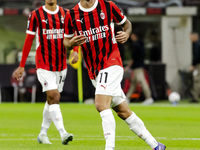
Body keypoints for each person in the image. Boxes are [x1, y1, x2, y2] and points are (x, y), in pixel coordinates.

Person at [63, 0, 166, 150]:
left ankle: (109, 148)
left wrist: (126, 33)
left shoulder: (107, 6)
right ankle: (156, 145)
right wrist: (71, 44)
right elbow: (66, 41)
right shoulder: (71, 15)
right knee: (123, 112)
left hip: (112, 62)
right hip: (94, 70)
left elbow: (127, 24)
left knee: (100, 104)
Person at [13, 0, 78, 145]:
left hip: (61, 65)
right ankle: (63, 133)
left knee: (52, 100)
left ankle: (43, 133)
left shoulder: (66, 14)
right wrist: (22, 65)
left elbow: (74, 34)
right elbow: (29, 40)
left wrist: (75, 51)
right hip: (43, 64)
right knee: (54, 96)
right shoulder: (35, 15)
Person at [125, 32, 154, 105]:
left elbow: (133, 58)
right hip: (137, 67)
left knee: (142, 82)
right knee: (133, 83)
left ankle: (149, 98)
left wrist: (128, 67)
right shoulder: (141, 44)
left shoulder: (136, 45)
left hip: (138, 68)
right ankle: (127, 98)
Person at [189, 32, 200, 103]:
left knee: (196, 80)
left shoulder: (197, 45)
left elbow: (197, 56)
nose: (190, 38)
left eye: (191, 37)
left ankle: (195, 97)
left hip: (198, 65)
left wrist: (193, 65)